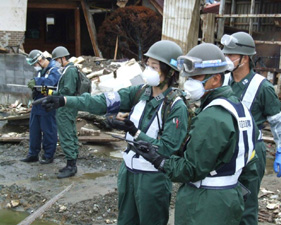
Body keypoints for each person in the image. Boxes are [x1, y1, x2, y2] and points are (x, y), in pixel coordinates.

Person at [39, 40, 189, 225]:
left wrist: (135, 133)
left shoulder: (175, 106)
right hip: (128, 173)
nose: (148, 70)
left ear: (170, 72)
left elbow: (168, 147)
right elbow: (102, 101)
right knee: (125, 220)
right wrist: (65, 100)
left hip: (152, 178)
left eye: (154, 66)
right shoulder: (139, 92)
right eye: (147, 65)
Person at [132, 43, 258, 225]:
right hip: (228, 196)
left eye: (196, 77)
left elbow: (190, 170)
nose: (190, 82)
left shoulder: (212, 117)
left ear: (215, 79)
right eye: (189, 77)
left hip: (204, 204)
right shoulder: (238, 107)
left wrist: (159, 160)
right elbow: (250, 162)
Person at [221, 31, 281, 225]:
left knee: (246, 204)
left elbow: (278, 123)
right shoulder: (222, 81)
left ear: (245, 58)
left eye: (231, 55)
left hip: (251, 152)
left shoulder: (262, 87)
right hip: (225, 149)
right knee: (223, 200)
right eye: (225, 54)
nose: (227, 59)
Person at [20, 50, 60, 164]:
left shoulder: (54, 69)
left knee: (48, 131)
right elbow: (42, 86)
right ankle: (33, 154)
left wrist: (36, 81)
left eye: (34, 64)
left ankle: (48, 155)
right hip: (38, 103)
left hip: (47, 104)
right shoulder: (41, 71)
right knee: (34, 130)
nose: (34, 67)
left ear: (40, 60)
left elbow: (50, 83)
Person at [50, 46, 79, 179]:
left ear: (62, 58)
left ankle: (71, 165)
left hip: (66, 108)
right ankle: (71, 163)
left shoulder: (70, 71)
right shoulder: (68, 70)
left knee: (66, 135)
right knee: (70, 133)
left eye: (56, 60)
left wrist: (54, 94)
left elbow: (68, 90)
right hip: (67, 106)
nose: (56, 62)